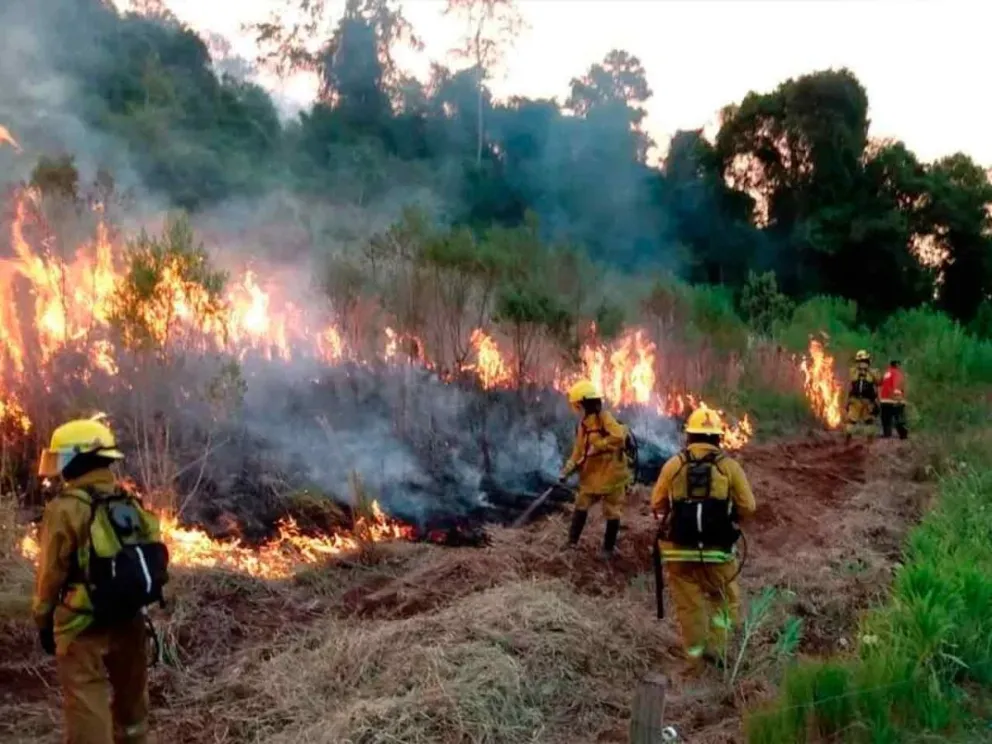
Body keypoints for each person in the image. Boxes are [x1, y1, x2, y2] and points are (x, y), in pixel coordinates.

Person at [33, 416, 168, 744]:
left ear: (75, 460)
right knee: (132, 707)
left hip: (82, 624)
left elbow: (51, 575)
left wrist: (43, 620)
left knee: (86, 703)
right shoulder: (128, 503)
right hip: (131, 618)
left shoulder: (64, 509)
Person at [650, 407, 756, 667]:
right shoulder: (729, 467)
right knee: (726, 600)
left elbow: (657, 503)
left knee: (690, 606)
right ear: (718, 439)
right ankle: (717, 648)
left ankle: (694, 661)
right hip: (717, 551)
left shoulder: (674, 464)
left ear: (690, 437)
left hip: (679, 551)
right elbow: (749, 507)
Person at [560, 380, 634, 558]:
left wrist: (600, 445)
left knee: (612, 511)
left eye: (579, 405)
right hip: (592, 476)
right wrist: (566, 471)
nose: (577, 409)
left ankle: (608, 549)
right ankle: (572, 542)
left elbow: (618, 437)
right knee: (581, 504)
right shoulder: (583, 426)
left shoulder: (605, 419)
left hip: (612, 476)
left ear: (587, 403)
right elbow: (578, 453)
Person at [845, 349, 881, 441]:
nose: (862, 364)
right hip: (857, 401)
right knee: (853, 421)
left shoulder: (871, 372)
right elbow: (879, 382)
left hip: (866, 401)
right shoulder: (855, 371)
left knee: (867, 421)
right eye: (861, 362)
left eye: (863, 362)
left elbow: (879, 382)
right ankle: (848, 441)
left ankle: (867, 441)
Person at [879, 360, 909, 439]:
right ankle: (903, 434)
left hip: (884, 400)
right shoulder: (897, 373)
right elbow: (897, 384)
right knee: (899, 417)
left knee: (886, 419)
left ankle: (887, 433)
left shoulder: (886, 373)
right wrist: (899, 397)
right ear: (897, 365)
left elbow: (882, 384)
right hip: (895, 399)